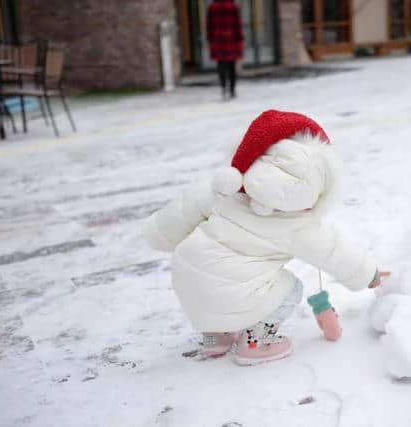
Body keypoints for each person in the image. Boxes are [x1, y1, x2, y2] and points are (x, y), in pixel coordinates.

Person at [143, 110, 388, 366]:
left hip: (186, 281)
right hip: (228, 293)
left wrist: (157, 234)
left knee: (218, 282)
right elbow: (335, 252)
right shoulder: (298, 224)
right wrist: (368, 275)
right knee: (290, 288)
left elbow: (179, 214)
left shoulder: (224, 188)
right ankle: (255, 343)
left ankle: (216, 338)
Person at [206, 0, 244, 99]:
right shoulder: (233, 6)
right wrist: (239, 39)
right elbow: (238, 25)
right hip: (231, 38)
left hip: (218, 39)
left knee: (221, 65)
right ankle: (232, 89)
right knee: (232, 66)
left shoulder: (212, 7)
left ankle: (223, 88)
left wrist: (210, 39)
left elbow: (209, 26)